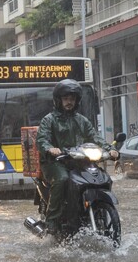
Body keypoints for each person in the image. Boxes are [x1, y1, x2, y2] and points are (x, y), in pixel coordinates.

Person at [36, 79, 118, 234]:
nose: (69, 102)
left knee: (102, 176)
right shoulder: (49, 119)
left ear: (77, 101)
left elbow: (95, 138)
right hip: (54, 162)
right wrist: (50, 149)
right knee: (63, 179)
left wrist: (110, 149)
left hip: (78, 160)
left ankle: (94, 210)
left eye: (72, 99)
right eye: (66, 99)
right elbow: (42, 139)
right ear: (59, 100)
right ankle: (52, 221)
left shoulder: (82, 120)